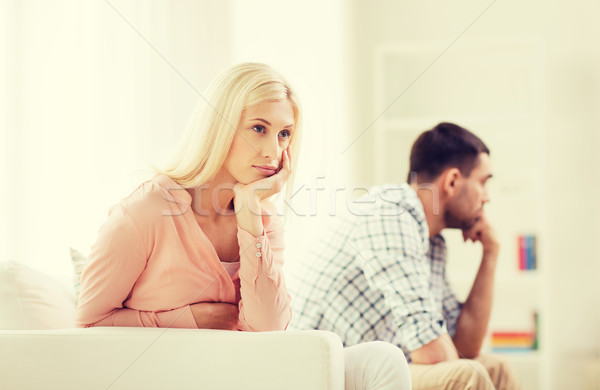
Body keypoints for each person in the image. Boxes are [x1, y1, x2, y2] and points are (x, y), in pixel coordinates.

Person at [75, 63, 410, 390]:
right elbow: (88, 324)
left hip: (247, 373)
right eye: (258, 129)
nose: (273, 152)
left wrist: (251, 215)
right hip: (178, 377)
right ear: (219, 128)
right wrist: (184, 320)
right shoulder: (145, 211)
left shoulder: (263, 218)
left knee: (383, 359)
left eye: (284, 135)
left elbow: (268, 331)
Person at [290, 122, 522, 389]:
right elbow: (433, 353)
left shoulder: (431, 242)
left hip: (369, 369)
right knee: (468, 376)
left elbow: (463, 347)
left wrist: (491, 254)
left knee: (496, 369)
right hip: (325, 374)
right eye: (483, 183)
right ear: (453, 181)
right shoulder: (390, 214)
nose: (487, 197)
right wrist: (445, 351)